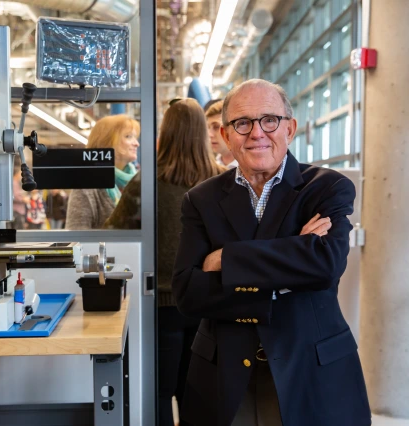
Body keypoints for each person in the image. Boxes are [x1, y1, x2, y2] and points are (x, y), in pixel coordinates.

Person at [172, 79, 370, 426]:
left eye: (270, 120)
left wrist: (226, 260)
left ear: (289, 128)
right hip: (224, 376)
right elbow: (188, 292)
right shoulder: (200, 200)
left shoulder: (326, 188)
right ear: (226, 134)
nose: (257, 133)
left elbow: (324, 267)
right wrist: (290, 265)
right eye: (243, 123)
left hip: (311, 370)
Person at [106, 99, 226, 426]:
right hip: (210, 304)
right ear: (202, 133)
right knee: (198, 391)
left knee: (159, 392)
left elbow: (113, 232)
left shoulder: (147, 183)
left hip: (160, 305)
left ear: (165, 133)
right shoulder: (222, 181)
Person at [65, 114, 140, 229]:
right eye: (128, 136)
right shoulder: (87, 185)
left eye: (135, 138)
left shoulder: (138, 182)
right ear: (107, 142)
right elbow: (77, 235)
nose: (136, 143)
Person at [205, 100, 237, 169]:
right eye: (208, 127)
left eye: (216, 127)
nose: (210, 134)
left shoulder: (249, 168)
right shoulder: (209, 168)